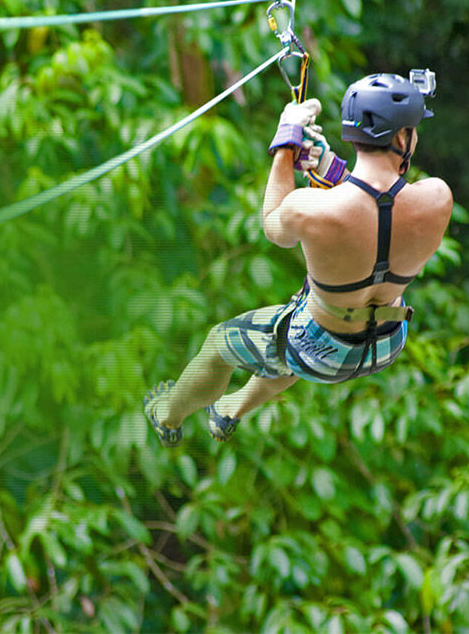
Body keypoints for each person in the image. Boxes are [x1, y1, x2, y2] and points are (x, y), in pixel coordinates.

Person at [144, 71, 453, 446]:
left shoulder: (313, 210)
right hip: (387, 343)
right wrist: (330, 169)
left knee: (225, 342)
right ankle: (230, 408)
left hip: (319, 349)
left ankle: (167, 415)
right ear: (402, 137)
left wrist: (285, 146)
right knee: (287, 339)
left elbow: (275, 227)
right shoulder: (437, 198)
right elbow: (377, 210)